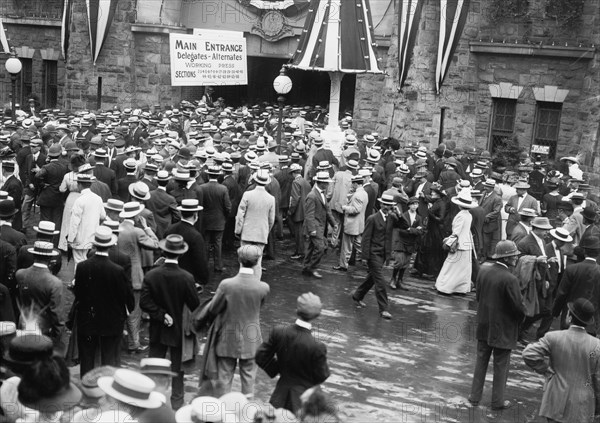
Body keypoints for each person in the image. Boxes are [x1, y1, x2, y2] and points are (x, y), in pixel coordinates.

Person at [140, 234, 200, 410]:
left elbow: (144, 302)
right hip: (178, 331)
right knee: (177, 369)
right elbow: (194, 304)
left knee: (154, 366)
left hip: (157, 329)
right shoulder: (187, 277)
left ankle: (151, 402)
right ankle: (177, 404)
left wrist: (161, 314)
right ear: (180, 254)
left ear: (164, 252)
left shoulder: (151, 275)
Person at [202, 245, 270, 397]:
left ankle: (223, 416)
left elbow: (213, 309)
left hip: (227, 337)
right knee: (249, 384)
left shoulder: (227, 285)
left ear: (239, 260)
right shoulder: (263, 287)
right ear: (257, 261)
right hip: (251, 338)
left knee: (224, 380)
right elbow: (259, 307)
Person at [468, 240, 526, 410]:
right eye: (514, 256)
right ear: (507, 258)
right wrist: (520, 321)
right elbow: (518, 308)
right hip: (504, 329)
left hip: (484, 325)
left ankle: (474, 397)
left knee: (481, 362)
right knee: (501, 365)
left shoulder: (483, 271)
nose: (516, 259)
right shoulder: (510, 279)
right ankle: (497, 401)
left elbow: (478, 296)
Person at [523, 298, 600, 423]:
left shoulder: (554, 337)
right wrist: (597, 406)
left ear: (569, 317)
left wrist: (545, 370)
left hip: (556, 400)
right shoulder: (597, 346)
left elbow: (529, 353)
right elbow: (598, 379)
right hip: (582, 406)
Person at [74, 226, 135, 376]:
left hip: (87, 318)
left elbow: (79, 293)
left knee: (87, 359)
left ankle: (86, 390)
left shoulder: (82, 267)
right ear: (110, 245)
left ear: (95, 245)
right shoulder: (118, 271)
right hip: (111, 321)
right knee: (109, 359)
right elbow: (127, 297)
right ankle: (106, 391)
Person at [256, 293, 330, 413]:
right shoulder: (318, 346)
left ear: (297, 310)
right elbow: (322, 375)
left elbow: (261, 356)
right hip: (304, 400)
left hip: (279, 395)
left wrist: (277, 370)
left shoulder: (279, 332)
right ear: (318, 315)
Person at [118, 201, 159, 353]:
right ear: (136, 216)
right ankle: (133, 344)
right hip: (134, 276)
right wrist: (147, 228)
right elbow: (155, 244)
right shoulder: (137, 232)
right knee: (134, 313)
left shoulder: (116, 229)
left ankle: (120, 339)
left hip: (117, 274)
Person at [351, 193, 395, 319]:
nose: (387, 207)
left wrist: (398, 213)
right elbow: (366, 239)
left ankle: (357, 295)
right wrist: (364, 257)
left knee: (372, 278)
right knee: (380, 282)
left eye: (389, 205)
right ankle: (384, 309)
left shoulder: (392, 218)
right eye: (385, 204)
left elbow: (404, 225)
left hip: (383, 254)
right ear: (381, 204)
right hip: (373, 254)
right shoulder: (372, 218)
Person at [16, 241, 64, 346]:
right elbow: (57, 315)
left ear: (34, 255)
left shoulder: (20, 274)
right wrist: (56, 340)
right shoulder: (55, 283)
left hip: (23, 322)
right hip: (43, 328)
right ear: (50, 258)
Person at [553, 236, 600, 333]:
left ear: (584, 251)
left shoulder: (572, 269)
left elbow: (562, 293)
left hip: (570, 317)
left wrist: (555, 312)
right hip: (592, 321)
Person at [235, 169, 275, 280]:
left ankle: (243, 283)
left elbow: (240, 214)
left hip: (247, 232)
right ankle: (256, 283)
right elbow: (271, 219)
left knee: (244, 260)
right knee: (257, 262)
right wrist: (266, 231)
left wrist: (238, 230)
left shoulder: (247, 194)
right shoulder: (271, 199)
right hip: (261, 233)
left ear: (255, 181)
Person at [435, 189, 477, 295]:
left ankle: (445, 287)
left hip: (458, 244)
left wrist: (448, 241)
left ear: (459, 205)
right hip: (466, 244)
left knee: (451, 266)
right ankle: (460, 288)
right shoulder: (469, 215)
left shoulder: (460, 215)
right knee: (463, 269)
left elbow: (456, 232)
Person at [165, 198, 210, 286]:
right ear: (195, 215)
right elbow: (200, 260)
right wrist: (203, 279)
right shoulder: (196, 236)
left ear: (181, 213)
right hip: (188, 279)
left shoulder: (170, 229)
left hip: (169, 276)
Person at [197, 165, 232, 273]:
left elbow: (199, 205)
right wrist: (224, 217)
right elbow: (228, 207)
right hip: (219, 220)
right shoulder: (223, 188)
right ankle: (218, 266)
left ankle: (204, 265)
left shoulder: (202, 187)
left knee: (206, 242)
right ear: (218, 176)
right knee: (218, 243)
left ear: (208, 175)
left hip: (205, 220)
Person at [67, 173, 106, 266]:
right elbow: (103, 216)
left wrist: (70, 238)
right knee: (87, 260)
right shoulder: (98, 198)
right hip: (93, 236)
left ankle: (78, 280)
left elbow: (74, 222)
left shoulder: (80, 200)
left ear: (79, 185)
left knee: (78, 261)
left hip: (80, 237)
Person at [302, 171, 336, 279]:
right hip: (315, 227)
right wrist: (312, 229)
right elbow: (309, 215)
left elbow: (327, 210)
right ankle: (312, 268)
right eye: (326, 183)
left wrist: (333, 223)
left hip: (319, 225)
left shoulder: (322, 193)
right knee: (320, 247)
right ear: (320, 182)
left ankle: (306, 267)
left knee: (312, 248)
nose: (327, 184)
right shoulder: (312, 196)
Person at [334, 174, 368, 272]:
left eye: (353, 184)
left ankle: (343, 265)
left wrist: (344, 207)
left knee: (346, 246)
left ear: (356, 183)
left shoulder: (357, 195)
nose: (352, 185)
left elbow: (356, 209)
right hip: (358, 224)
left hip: (351, 224)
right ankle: (370, 261)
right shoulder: (364, 193)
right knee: (360, 245)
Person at [389, 196, 423, 290]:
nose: (415, 206)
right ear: (409, 205)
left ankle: (400, 281)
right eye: (413, 204)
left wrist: (409, 229)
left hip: (411, 243)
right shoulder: (403, 215)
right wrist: (414, 230)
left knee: (406, 263)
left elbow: (420, 231)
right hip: (401, 241)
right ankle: (393, 279)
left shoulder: (419, 218)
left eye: (416, 204)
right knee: (399, 261)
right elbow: (401, 230)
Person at [58, 154, 85, 251]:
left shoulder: (67, 175)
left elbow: (62, 189)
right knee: (79, 222)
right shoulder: (85, 175)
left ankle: (64, 245)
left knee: (67, 221)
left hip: (71, 198)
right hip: (82, 197)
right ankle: (77, 244)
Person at [288, 163, 310, 260]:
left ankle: (300, 252)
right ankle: (302, 251)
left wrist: (290, 211)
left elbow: (295, 199)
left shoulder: (296, 182)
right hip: (306, 210)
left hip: (298, 212)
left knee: (299, 234)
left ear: (293, 173)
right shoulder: (305, 182)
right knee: (303, 233)